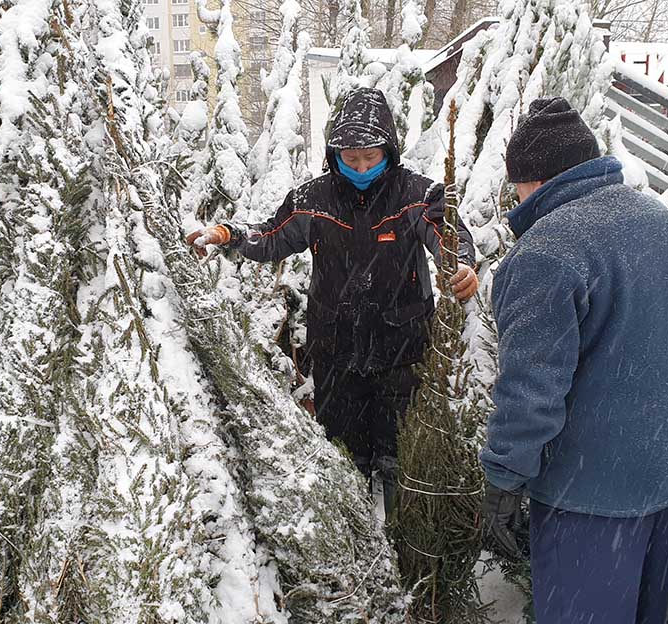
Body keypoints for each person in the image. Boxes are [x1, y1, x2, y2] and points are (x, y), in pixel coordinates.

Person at [478, 97, 668, 624]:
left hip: (588, 499)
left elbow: (530, 392)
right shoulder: (661, 223)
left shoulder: (545, 252)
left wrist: (503, 479)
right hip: (666, 476)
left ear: (532, 180)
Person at [185, 87, 479, 514]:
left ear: (389, 150)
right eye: (350, 158)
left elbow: (448, 236)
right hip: (336, 354)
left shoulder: (417, 195)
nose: (360, 167)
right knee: (343, 462)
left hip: (404, 354)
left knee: (402, 464)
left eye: (370, 158)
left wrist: (461, 265)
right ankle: (353, 539)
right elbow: (272, 236)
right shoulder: (313, 200)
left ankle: (401, 540)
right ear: (334, 153)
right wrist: (229, 234)